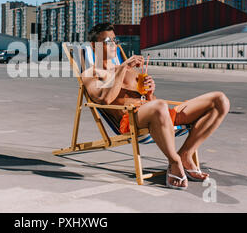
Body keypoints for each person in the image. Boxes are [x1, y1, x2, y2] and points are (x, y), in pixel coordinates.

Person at [81, 23, 230, 190]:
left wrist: (151, 92)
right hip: (130, 120)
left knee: (220, 100)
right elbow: (105, 99)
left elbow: (152, 101)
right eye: (108, 41)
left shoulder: (131, 71)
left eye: (115, 40)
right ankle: (174, 162)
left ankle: (185, 154)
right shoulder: (90, 74)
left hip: (158, 115)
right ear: (94, 45)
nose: (114, 44)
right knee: (160, 106)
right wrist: (122, 67)